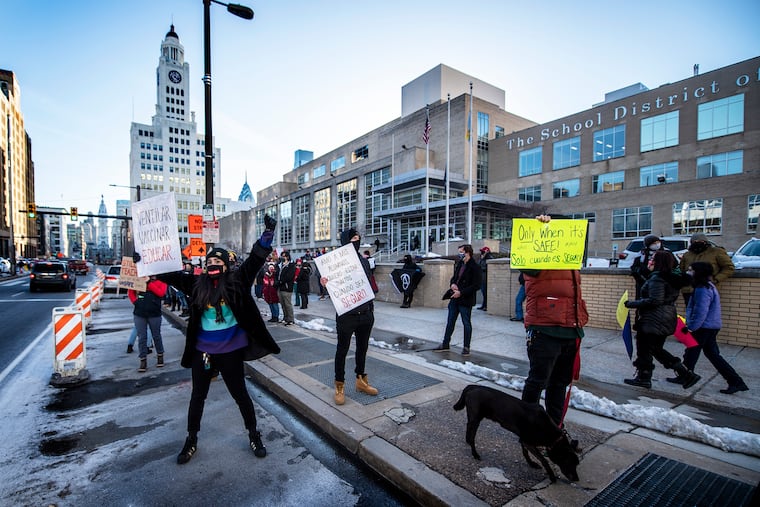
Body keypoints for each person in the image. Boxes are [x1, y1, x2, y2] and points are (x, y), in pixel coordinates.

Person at [138, 215, 281, 465]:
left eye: (218, 261)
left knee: (240, 395)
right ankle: (191, 439)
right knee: (198, 396)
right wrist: (146, 263)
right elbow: (171, 275)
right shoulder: (196, 284)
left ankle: (254, 435)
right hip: (203, 351)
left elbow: (255, 260)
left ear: (226, 265)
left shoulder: (237, 281)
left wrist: (267, 234)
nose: (213, 263)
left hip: (231, 351)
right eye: (209, 261)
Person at [623, 250, 701, 389]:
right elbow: (657, 293)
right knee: (653, 349)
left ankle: (682, 373)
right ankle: (645, 376)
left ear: (659, 262)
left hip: (654, 318)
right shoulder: (670, 278)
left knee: (647, 348)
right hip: (665, 317)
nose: (650, 261)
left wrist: (631, 304)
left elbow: (655, 300)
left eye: (653, 259)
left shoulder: (658, 278)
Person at [320, 228, 378, 406]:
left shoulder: (364, 261)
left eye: (358, 239)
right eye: (353, 238)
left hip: (365, 313)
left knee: (362, 349)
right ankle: (339, 385)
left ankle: (361, 380)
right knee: (342, 350)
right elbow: (333, 289)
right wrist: (325, 285)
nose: (357, 241)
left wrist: (371, 311)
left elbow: (369, 285)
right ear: (346, 240)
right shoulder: (334, 262)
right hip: (346, 315)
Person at [678, 262, 748, 394]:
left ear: (698, 272)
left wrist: (692, 327)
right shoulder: (708, 286)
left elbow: (700, 311)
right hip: (710, 326)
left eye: (691, 270)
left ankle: (685, 375)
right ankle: (736, 381)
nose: (688, 272)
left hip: (704, 327)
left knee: (692, 352)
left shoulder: (702, 289)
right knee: (711, 354)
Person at [434, 244, 482, 355]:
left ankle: (466, 347)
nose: (459, 254)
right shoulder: (460, 264)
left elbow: (477, 285)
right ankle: (445, 343)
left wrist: (461, 292)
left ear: (467, 253)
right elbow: (454, 277)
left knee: (466, 323)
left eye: (461, 252)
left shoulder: (475, 267)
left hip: (465, 299)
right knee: (450, 321)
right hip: (454, 298)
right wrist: (452, 284)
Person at [678, 233, 734, 307]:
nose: (697, 244)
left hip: (706, 289)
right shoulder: (687, 255)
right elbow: (682, 270)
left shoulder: (716, 252)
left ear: (705, 242)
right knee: (691, 313)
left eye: (700, 241)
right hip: (689, 290)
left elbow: (729, 268)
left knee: (705, 313)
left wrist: (716, 279)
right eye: (694, 242)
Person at [127, 276, 168, 372]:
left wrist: (149, 282)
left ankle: (160, 355)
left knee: (156, 336)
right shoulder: (139, 278)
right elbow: (130, 291)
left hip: (154, 313)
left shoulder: (161, 280)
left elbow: (161, 293)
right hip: (140, 312)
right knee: (142, 337)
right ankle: (143, 360)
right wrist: (135, 302)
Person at [277, 251, 296, 325]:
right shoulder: (280, 265)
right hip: (280, 288)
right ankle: (285, 317)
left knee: (287, 304)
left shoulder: (291, 265)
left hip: (287, 288)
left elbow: (289, 276)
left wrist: (281, 281)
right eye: (281, 256)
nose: (282, 257)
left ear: (287, 257)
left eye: (284, 256)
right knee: (283, 304)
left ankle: (291, 319)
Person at [477, 246, 493, 311]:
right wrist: (482, 259)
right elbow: (478, 266)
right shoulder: (482, 258)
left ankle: (486, 306)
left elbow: (484, 267)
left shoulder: (489, 258)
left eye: (483, 252)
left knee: (486, 293)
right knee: (483, 293)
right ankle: (483, 305)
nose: (482, 253)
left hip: (486, 278)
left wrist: (484, 257)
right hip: (481, 278)